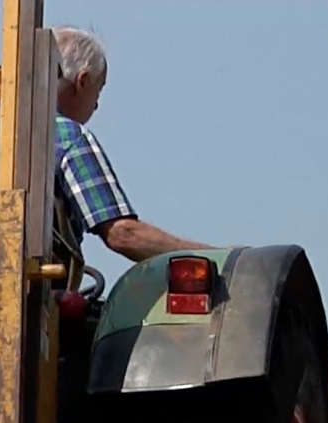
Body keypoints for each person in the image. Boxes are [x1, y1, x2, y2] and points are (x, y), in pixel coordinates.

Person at [51, 26, 213, 263]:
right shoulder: (69, 138)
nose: (96, 105)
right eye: (99, 90)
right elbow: (123, 234)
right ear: (82, 81)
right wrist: (218, 257)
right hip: (38, 295)